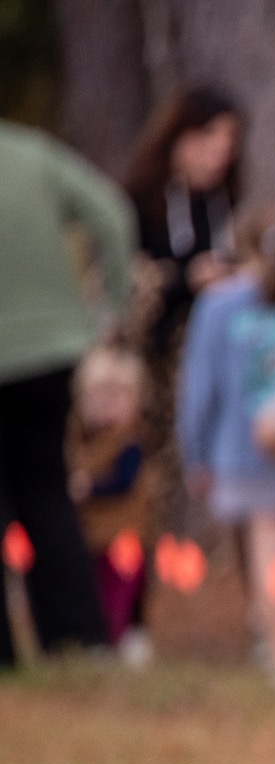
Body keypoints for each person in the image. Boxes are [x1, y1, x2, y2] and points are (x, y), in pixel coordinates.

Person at [0, 120, 133, 668]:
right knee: (47, 490)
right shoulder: (33, 153)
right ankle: (77, 637)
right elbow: (111, 213)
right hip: (51, 349)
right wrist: (110, 309)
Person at [179, 225, 275, 684]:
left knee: (265, 537)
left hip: (240, 450)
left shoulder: (218, 305)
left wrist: (195, 453)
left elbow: (198, 388)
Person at [125, 87, 244, 362]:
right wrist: (186, 279)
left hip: (214, 346)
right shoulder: (141, 202)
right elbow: (128, 285)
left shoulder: (222, 204)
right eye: (207, 144)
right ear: (177, 139)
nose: (218, 158)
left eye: (227, 148)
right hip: (154, 352)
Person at [66, 347, 156, 663]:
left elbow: (124, 483)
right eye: (98, 398)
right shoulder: (78, 440)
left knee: (123, 591)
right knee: (97, 589)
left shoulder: (130, 442)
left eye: (115, 398)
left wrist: (88, 487)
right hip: (93, 536)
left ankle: (120, 638)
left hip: (125, 536)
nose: (106, 408)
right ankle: (102, 637)